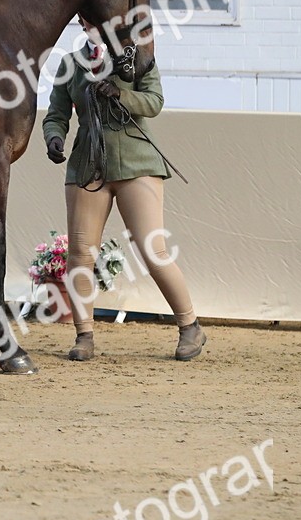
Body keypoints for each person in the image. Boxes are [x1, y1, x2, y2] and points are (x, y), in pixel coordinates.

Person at [42, 27, 205, 361]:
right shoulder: (71, 64)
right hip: (89, 165)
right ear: (83, 22)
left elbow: (154, 101)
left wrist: (120, 94)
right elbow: (56, 113)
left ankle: (190, 325)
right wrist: (54, 137)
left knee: (152, 249)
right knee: (81, 253)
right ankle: (84, 334)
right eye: (89, 18)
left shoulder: (138, 57)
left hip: (137, 162)